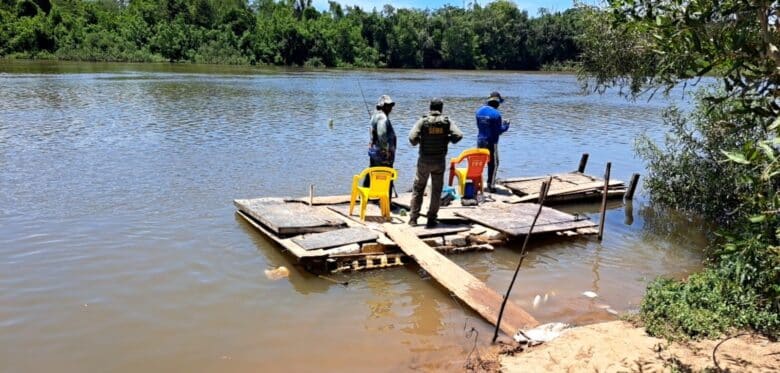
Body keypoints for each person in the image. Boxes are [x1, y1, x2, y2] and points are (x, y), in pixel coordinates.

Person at [408, 98, 463, 228]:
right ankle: (431, 219)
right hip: (439, 161)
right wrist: (447, 139)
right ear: (441, 108)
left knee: (418, 188)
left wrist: (421, 140)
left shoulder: (423, 121)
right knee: (436, 191)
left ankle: (413, 219)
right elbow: (459, 135)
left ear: (430, 107)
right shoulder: (446, 122)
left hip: (424, 161)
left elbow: (412, 139)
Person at [476, 91, 510, 192]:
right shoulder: (496, 114)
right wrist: (506, 125)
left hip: (480, 140)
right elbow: (498, 131)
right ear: (497, 103)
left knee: (479, 163)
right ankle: (490, 185)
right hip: (492, 142)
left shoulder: (479, 111)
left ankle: (476, 183)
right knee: (494, 164)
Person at [365, 95, 397, 198]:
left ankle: (365, 195)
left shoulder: (375, 115)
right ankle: (386, 200)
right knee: (387, 175)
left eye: (391, 105)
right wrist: (385, 150)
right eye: (388, 105)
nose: (390, 107)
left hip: (374, 151)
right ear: (382, 106)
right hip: (382, 153)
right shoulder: (382, 117)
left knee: (372, 171)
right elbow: (382, 134)